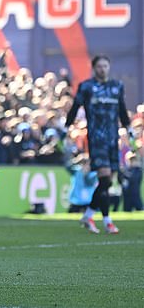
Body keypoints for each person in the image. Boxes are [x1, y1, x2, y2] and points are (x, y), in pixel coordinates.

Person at [66, 55, 132, 234]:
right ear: (94, 68)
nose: (103, 69)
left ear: (109, 67)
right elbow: (75, 106)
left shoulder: (117, 87)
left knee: (107, 182)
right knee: (104, 178)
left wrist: (127, 126)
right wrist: (67, 126)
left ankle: (88, 216)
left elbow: (121, 109)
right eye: (99, 66)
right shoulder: (87, 87)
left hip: (113, 140)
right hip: (97, 140)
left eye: (105, 66)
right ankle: (107, 221)